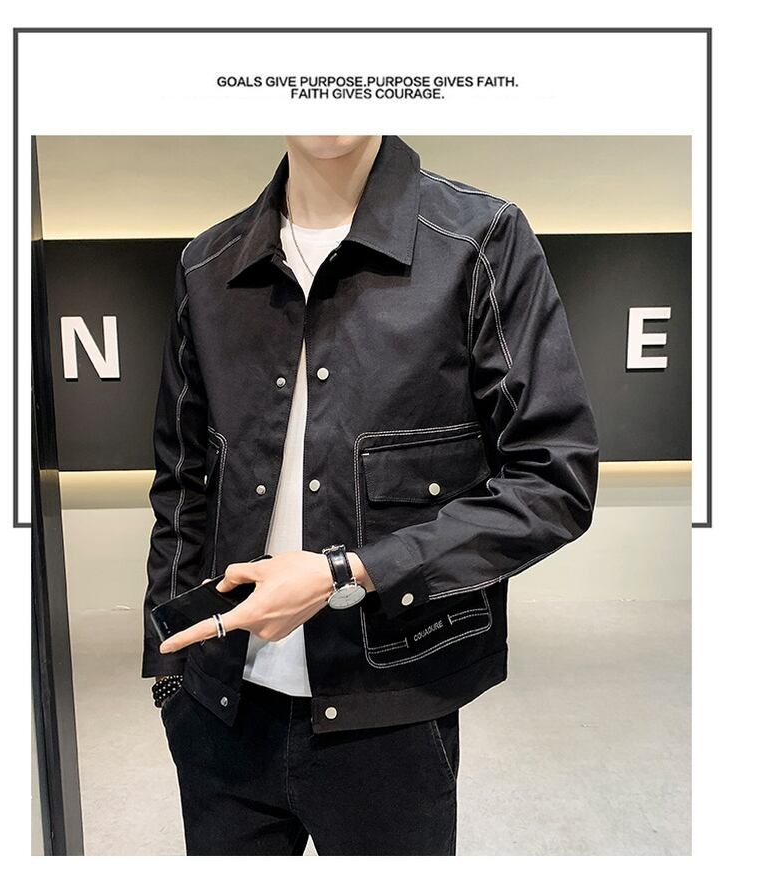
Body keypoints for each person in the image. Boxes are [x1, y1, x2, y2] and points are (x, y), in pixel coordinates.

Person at [141, 134, 599, 855]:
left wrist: (346, 572)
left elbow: (553, 479)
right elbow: (181, 479)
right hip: (221, 707)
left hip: (392, 713)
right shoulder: (207, 265)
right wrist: (169, 666)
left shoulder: (479, 240)